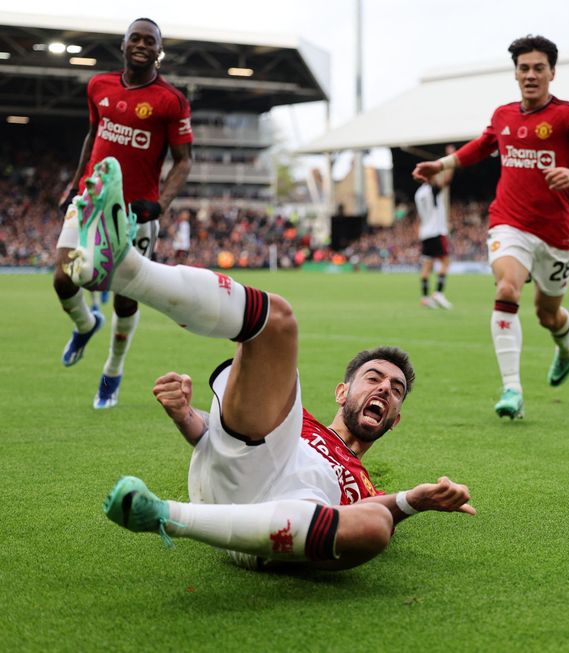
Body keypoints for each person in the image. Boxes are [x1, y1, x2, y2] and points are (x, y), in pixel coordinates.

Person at [66, 157, 473, 571]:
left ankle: (166, 515)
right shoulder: (293, 423)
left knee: (375, 526)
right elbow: (220, 438)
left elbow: (372, 513)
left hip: (283, 529)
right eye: (374, 377)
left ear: (396, 418)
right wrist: (184, 413)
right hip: (246, 470)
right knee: (277, 320)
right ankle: (125, 268)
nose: (385, 388)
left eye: (396, 389)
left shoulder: (365, 487)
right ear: (342, 391)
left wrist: (412, 501)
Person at [412, 35, 569, 419]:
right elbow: (484, 144)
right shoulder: (504, 115)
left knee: (547, 314)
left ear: (552, 72)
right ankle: (512, 389)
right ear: (516, 73)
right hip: (509, 222)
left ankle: (567, 344)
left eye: (539, 68)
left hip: (555, 234)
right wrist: (442, 164)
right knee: (507, 287)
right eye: (524, 68)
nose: (531, 75)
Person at [54, 17, 193, 410]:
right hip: (90, 200)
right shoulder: (99, 86)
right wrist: (75, 184)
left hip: (136, 213)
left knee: (126, 299)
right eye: (136, 38)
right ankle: (85, 325)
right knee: (63, 279)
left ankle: (112, 371)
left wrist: (161, 204)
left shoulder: (171, 101)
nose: (142, 45)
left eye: (151, 41)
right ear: (124, 44)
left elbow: (184, 161)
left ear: (159, 50)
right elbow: (93, 135)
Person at [415, 144, 456, 309]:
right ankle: (438, 293)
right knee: (446, 262)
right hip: (436, 231)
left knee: (427, 266)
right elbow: (447, 180)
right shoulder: (431, 190)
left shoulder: (419, 193)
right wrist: (451, 159)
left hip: (425, 232)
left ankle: (425, 297)